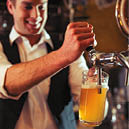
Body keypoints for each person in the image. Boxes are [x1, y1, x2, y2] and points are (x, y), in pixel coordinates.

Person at [0, 0, 96, 129]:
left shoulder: (66, 46)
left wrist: (96, 87)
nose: (36, 15)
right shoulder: (66, 51)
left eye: (41, 7)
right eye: (28, 7)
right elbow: (7, 82)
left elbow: (92, 111)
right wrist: (63, 55)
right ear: (11, 7)